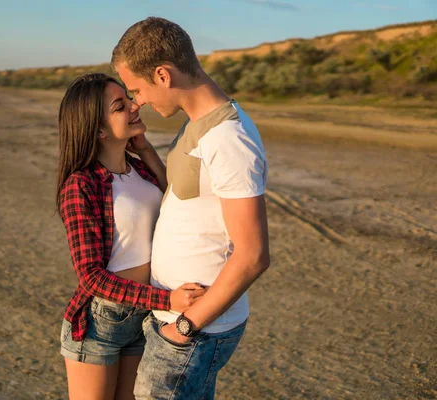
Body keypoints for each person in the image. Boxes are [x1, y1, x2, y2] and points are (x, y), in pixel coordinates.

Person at [112, 17, 271, 399]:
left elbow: (253, 256)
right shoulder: (197, 125)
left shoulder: (229, 139)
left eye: (137, 89)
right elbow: (189, 198)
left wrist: (183, 328)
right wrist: (148, 153)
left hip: (196, 328)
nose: (138, 102)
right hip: (177, 319)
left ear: (163, 75)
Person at [56, 73, 207, 400]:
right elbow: (91, 276)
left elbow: (176, 202)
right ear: (98, 129)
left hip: (144, 317)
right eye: (120, 106)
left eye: (130, 98)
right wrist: (167, 300)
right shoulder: (81, 186)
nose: (135, 105)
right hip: (100, 322)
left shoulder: (140, 170)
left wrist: (147, 149)